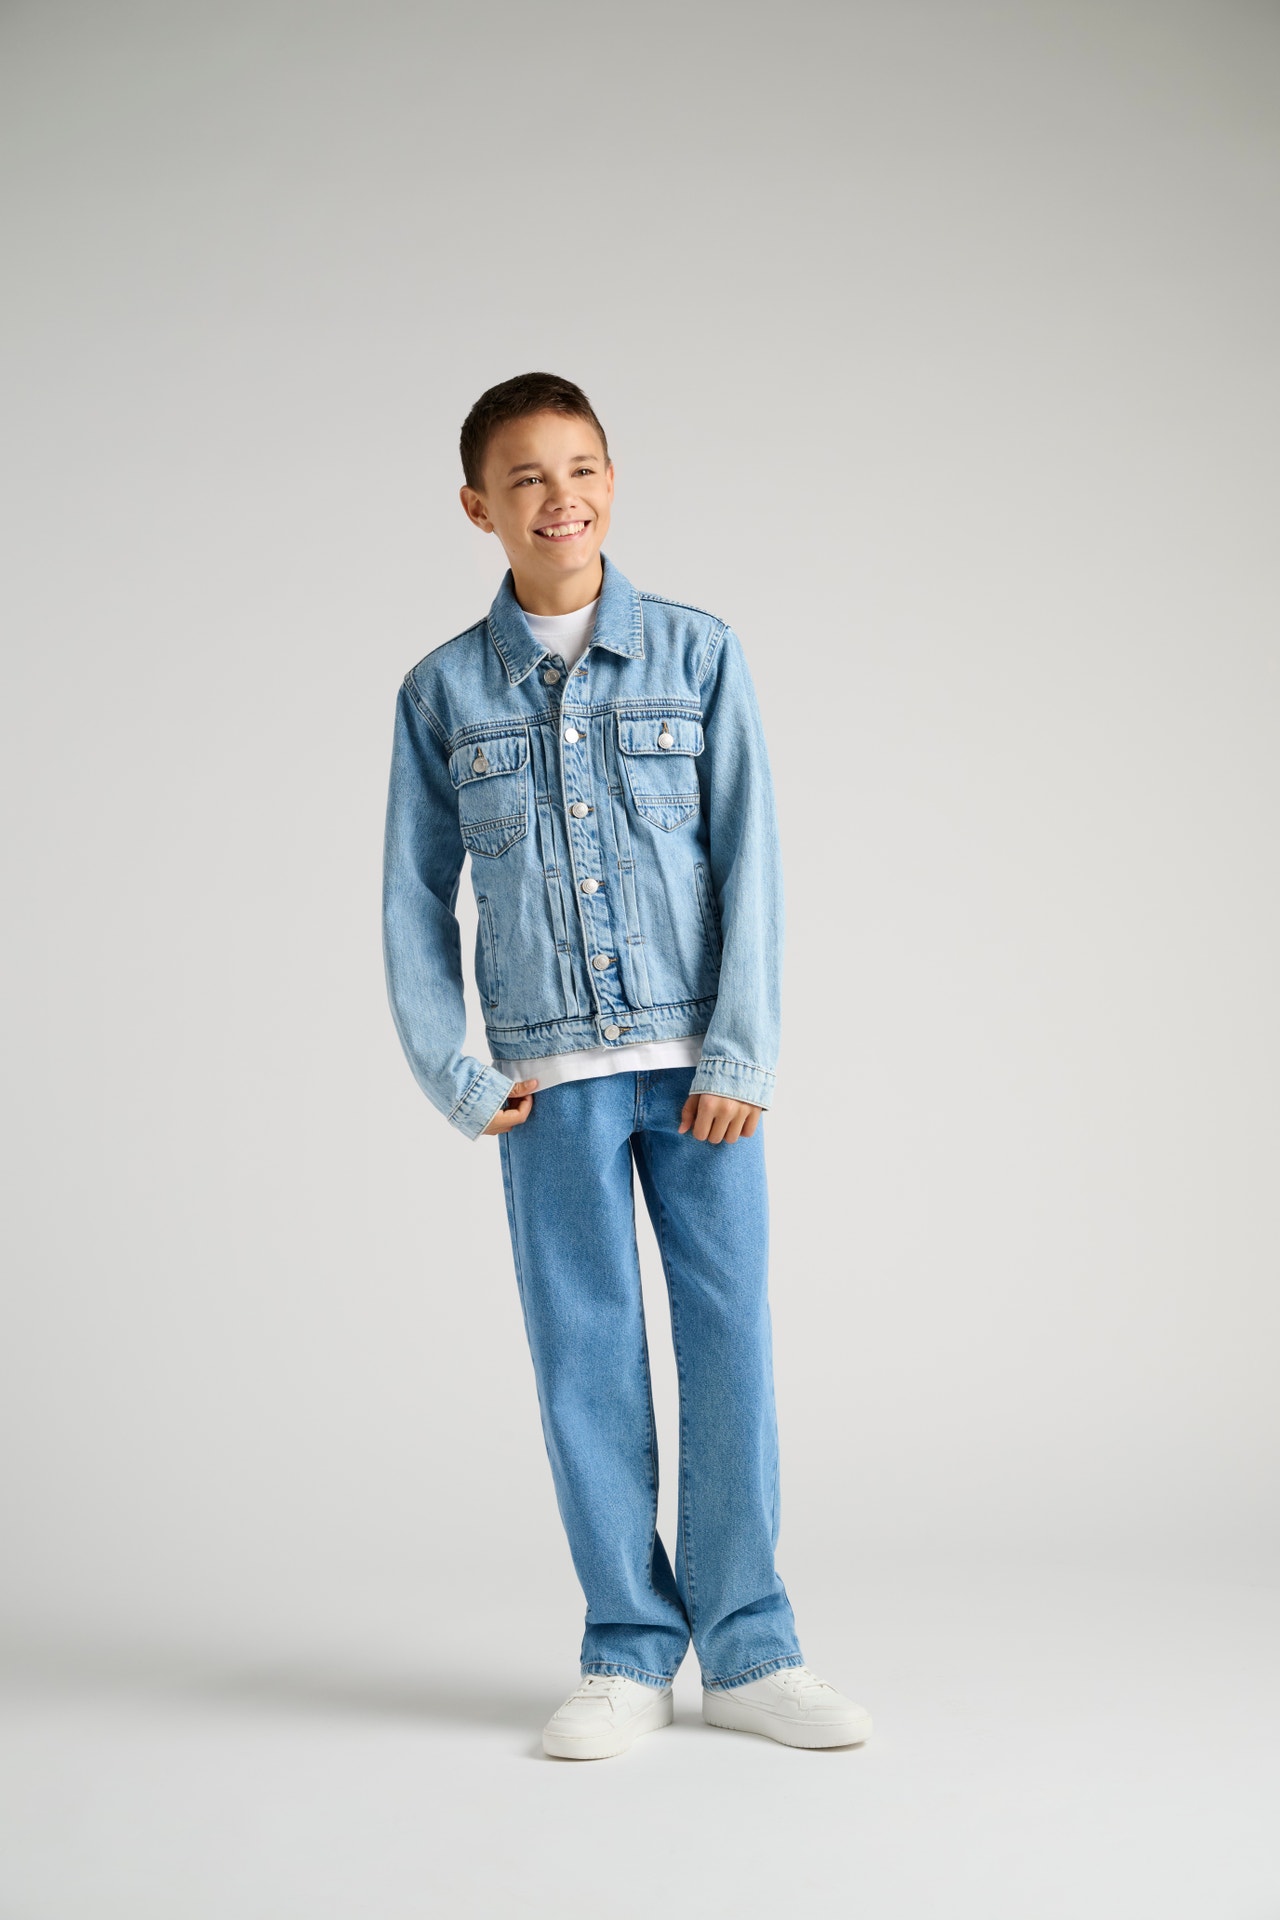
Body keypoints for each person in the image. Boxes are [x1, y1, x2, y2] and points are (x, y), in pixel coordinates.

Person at [381, 371, 872, 1760]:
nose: (562, 497)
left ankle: (752, 1647)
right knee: (585, 1357)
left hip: (701, 1071)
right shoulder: (441, 692)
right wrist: (458, 1074)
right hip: (549, 1083)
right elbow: (411, 897)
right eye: (527, 478)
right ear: (478, 507)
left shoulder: (700, 656)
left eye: (583, 468)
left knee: (730, 1348)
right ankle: (626, 1650)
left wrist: (744, 1052)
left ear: (613, 481)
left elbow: (752, 854)